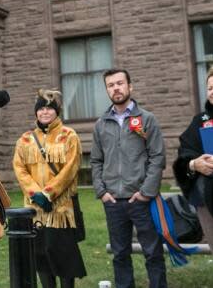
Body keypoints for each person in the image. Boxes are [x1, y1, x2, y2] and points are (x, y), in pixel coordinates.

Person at [91, 69, 167, 288]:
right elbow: (95, 161)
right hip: (113, 201)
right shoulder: (101, 124)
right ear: (107, 90)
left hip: (141, 199)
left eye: (120, 83)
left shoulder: (147, 119)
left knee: (152, 252)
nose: (116, 88)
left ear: (130, 87)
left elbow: (157, 156)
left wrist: (146, 192)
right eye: (110, 85)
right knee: (120, 254)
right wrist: (102, 192)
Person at [12, 89, 86, 288]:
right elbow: (19, 168)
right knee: (40, 257)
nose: (45, 112)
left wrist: (48, 193)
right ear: (36, 112)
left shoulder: (69, 136)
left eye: (49, 109)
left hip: (60, 210)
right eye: (41, 109)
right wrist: (35, 193)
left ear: (57, 112)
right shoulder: (25, 140)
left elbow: (71, 168)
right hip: (35, 211)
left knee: (63, 257)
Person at [173, 67, 213, 253]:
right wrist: (194, 164)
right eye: (210, 87)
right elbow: (183, 157)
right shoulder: (199, 122)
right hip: (207, 198)